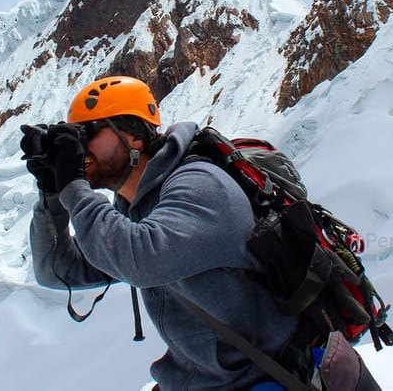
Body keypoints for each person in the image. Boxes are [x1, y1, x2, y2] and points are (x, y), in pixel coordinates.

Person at [23, 76, 309, 391]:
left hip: (262, 381)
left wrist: (73, 186)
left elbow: (140, 260)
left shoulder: (200, 186)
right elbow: (56, 270)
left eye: (86, 134)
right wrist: (51, 192)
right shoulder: (136, 207)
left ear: (132, 136)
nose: (79, 151)